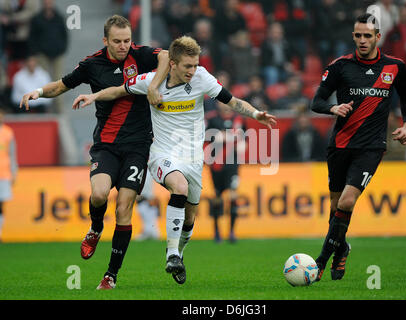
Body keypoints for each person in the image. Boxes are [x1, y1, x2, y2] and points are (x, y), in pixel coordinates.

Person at [72, 35, 277, 285]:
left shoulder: (202, 78)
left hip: (192, 158)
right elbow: (119, 89)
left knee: (190, 218)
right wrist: (92, 97)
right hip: (162, 153)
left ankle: (179, 253)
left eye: (195, 65)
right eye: (187, 66)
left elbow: (231, 101)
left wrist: (256, 114)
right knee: (178, 187)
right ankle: (170, 254)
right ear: (173, 64)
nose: (193, 70)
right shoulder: (150, 82)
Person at [19, 15, 169, 290]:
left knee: (124, 208)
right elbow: (62, 85)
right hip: (106, 144)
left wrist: (154, 85)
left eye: (127, 40)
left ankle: (110, 275)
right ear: (105, 41)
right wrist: (38, 91)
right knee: (99, 194)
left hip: (138, 146)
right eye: (117, 41)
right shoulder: (91, 64)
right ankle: (96, 228)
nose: (124, 46)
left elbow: (168, 56)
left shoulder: (141, 55)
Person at [311, 13, 406, 282]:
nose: (362, 40)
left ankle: (320, 262)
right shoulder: (340, 66)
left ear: (378, 37)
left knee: (347, 200)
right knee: (335, 208)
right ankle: (341, 248)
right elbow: (316, 101)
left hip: (371, 147)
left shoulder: (395, 67)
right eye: (358, 35)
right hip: (340, 144)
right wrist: (333, 107)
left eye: (367, 35)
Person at [205, 102, 246, 243]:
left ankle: (232, 232)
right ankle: (217, 232)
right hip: (216, 164)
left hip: (232, 163)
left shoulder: (238, 119)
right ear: (217, 104)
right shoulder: (212, 118)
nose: (226, 105)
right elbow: (205, 137)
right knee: (217, 196)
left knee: (234, 194)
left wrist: (238, 143)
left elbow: (243, 139)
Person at [0, 108, 17, 241]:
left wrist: (14, 172)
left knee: (1, 205)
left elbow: (12, 154)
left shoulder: (7, 132)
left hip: (4, 174)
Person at [135, 170, 161, 240]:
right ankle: (148, 234)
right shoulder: (149, 171)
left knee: (149, 221)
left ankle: (149, 234)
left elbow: (145, 188)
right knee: (149, 221)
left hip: (147, 200)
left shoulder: (146, 172)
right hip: (146, 200)